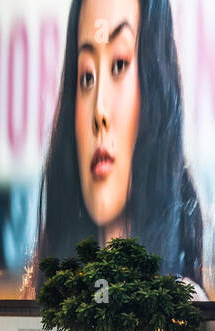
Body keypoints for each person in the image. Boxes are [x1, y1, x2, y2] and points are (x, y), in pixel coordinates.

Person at [31, 0, 204, 297]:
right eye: (86, 77)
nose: (99, 111)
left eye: (119, 65)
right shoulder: (59, 292)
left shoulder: (177, 306)